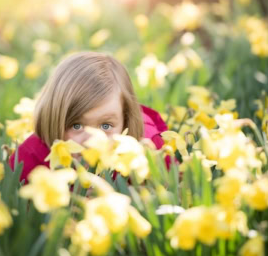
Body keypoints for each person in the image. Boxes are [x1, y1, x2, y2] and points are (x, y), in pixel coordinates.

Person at [9, 51, 170, 183]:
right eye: (76, 125)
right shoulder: (29, 159)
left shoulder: (146, 149)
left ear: (126, 119)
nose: (91, 142)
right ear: (53, 119)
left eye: (106, 126)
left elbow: (170, 190)